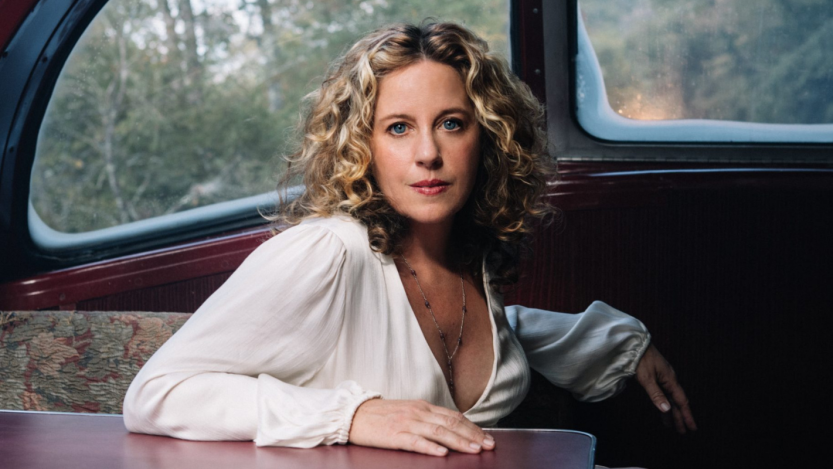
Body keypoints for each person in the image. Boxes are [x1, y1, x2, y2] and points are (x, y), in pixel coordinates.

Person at [123, 21, 696, 457]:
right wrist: (354, 415)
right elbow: (156, 393)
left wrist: (617, 343)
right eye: (398, 128)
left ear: (488, 138)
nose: (428, 153)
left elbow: (494, 333)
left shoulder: (470, 258)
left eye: (451, 123)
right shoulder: (329, 252)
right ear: (363, 147)